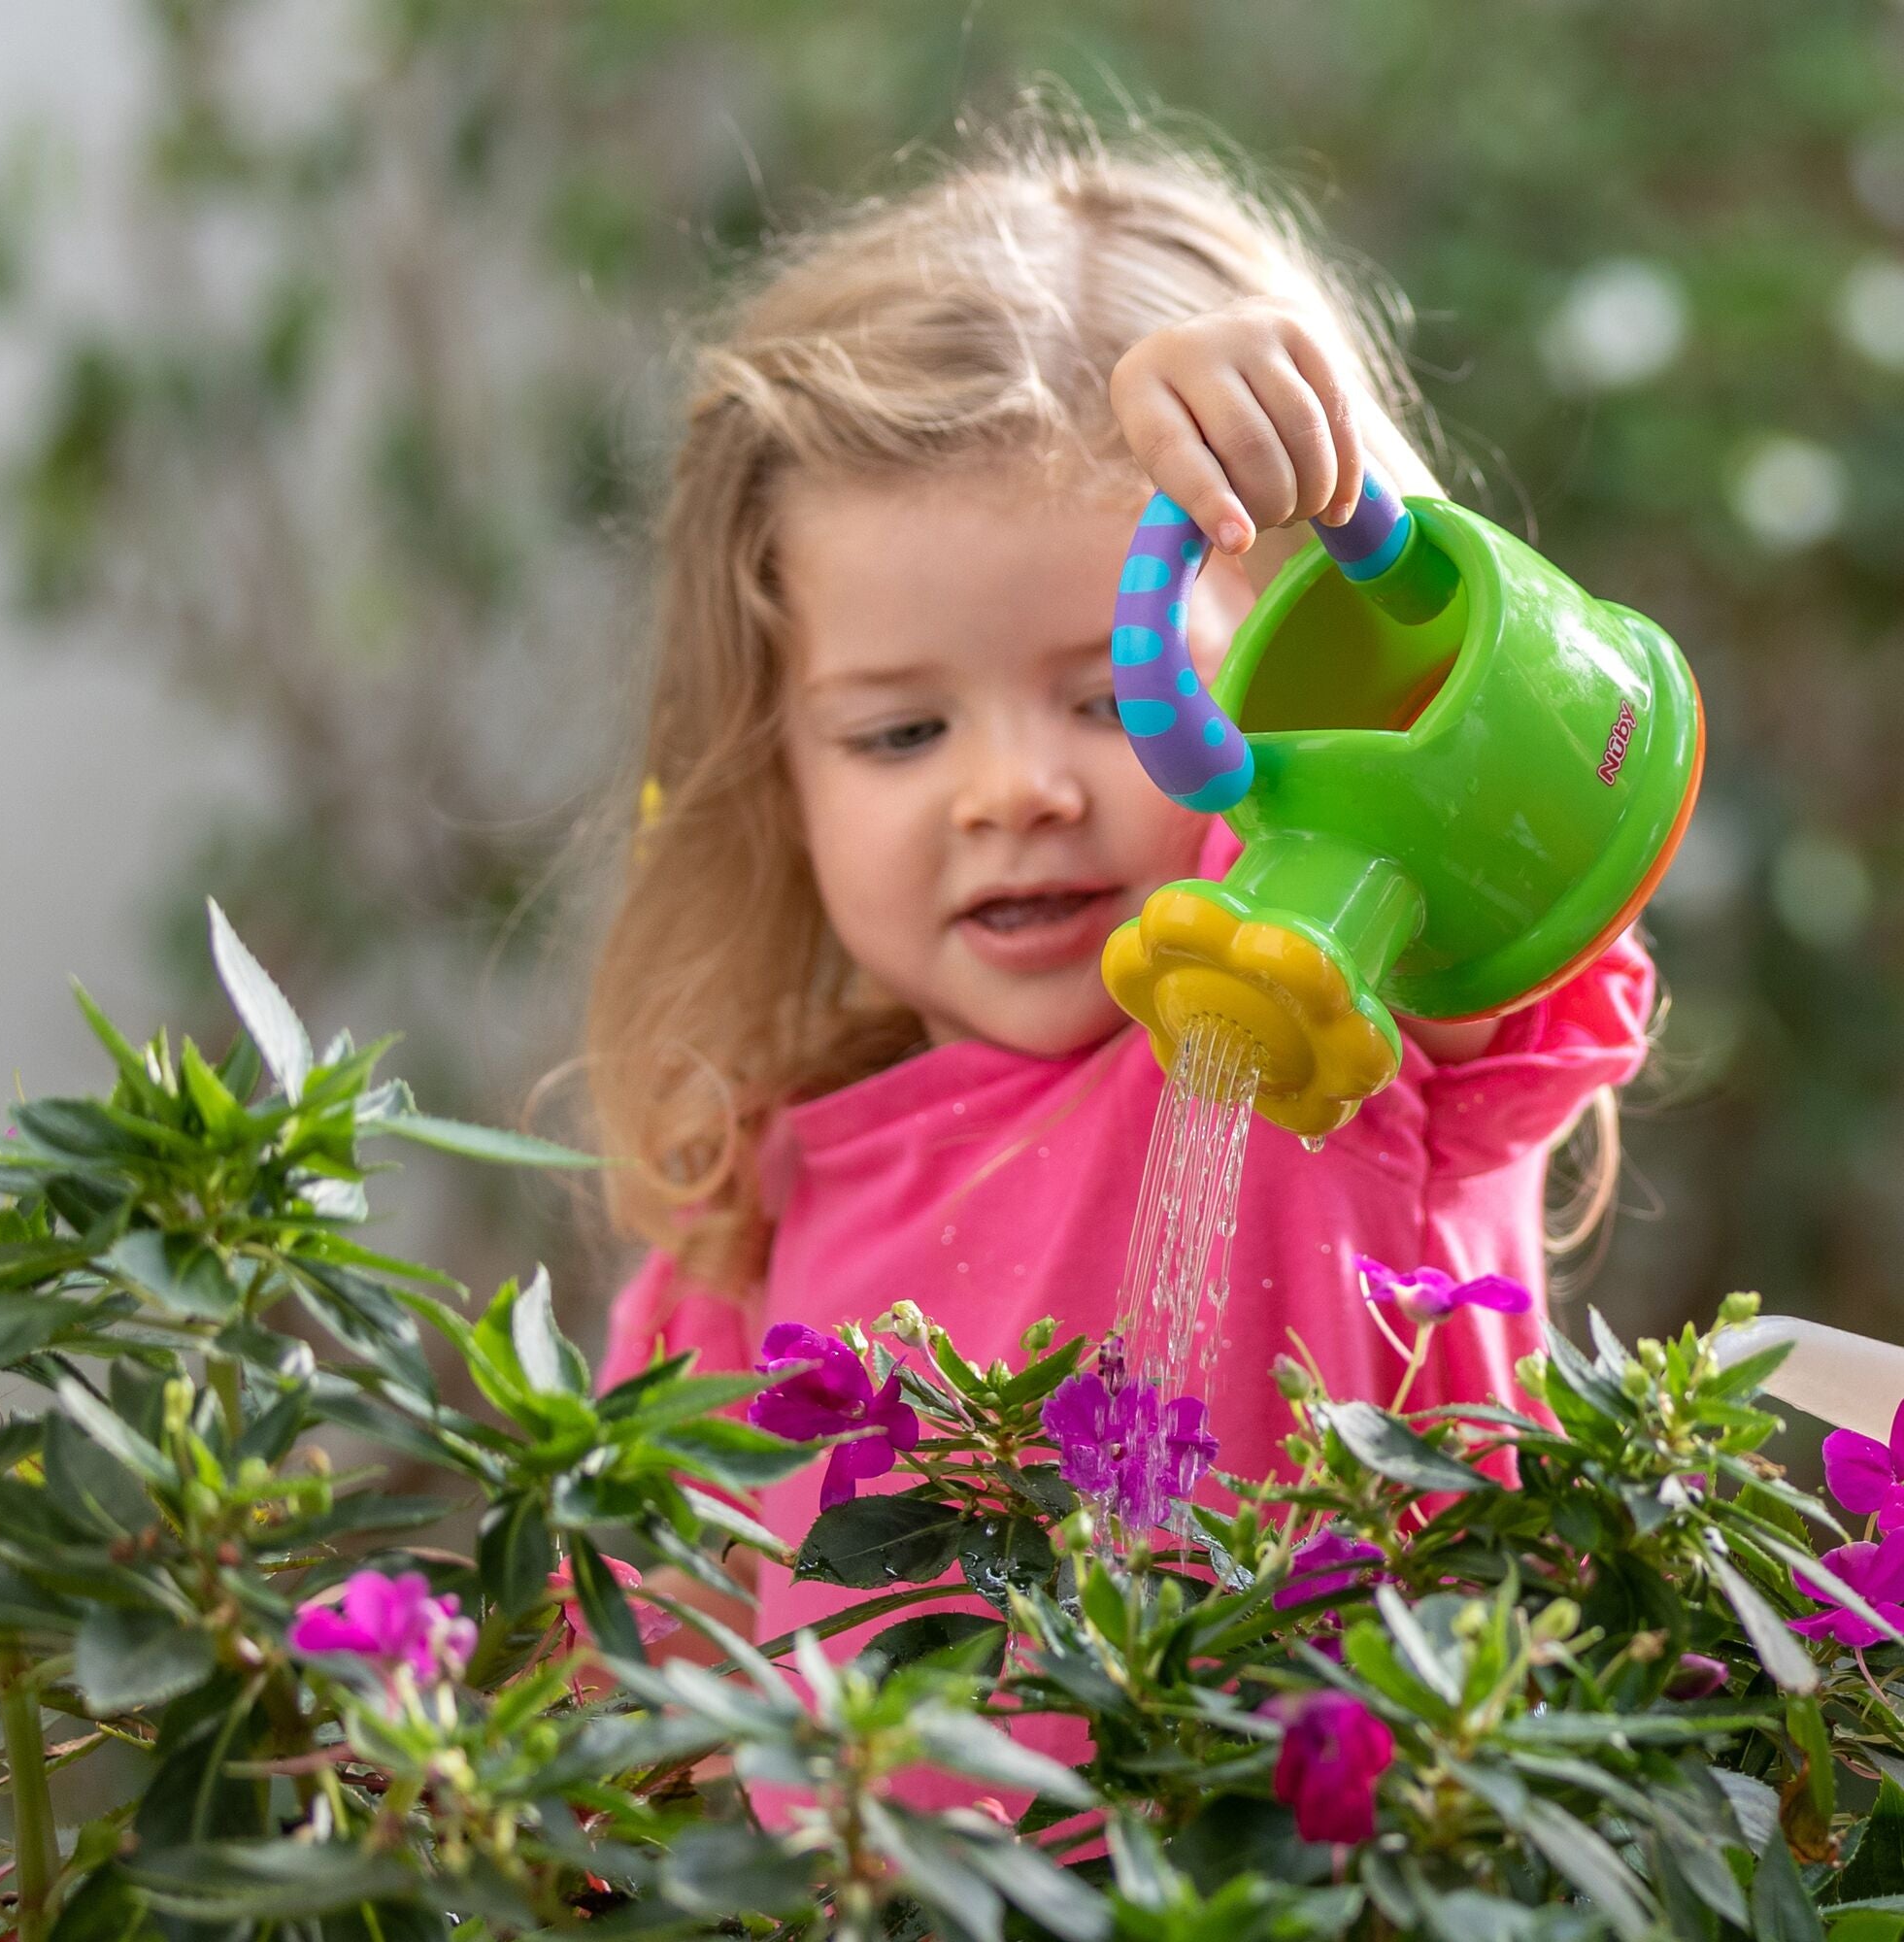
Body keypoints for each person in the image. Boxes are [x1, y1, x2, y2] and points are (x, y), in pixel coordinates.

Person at [583, 117, 1654, 1727]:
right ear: (774, 777)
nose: (1012, 790)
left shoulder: (1350, 1022)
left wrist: (1357, 488)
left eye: (1113, 693)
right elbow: (643, 1707)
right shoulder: (754, 1218)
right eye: (898, 734)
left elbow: (1525, 767)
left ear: (1312, 683)